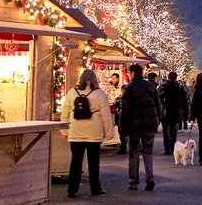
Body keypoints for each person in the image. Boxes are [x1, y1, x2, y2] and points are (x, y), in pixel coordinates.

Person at [61, 69, 115, 198]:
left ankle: (72, 189)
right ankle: (95, 188)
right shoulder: (99, 94)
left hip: (75, 131)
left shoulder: (72, 92)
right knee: (94, 161)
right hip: (94, 132)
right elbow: (106, 115)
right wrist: (109, 132)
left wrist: (64, 130)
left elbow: (65, 112)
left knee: (75, 161)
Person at [120, 64, 162, 191]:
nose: (128, 75)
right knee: (148, 151)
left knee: (134, 152)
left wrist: (123, 127)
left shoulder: (129, 88)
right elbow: (158, 105)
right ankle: (150, 178)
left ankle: (133, 181)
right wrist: (157, 119)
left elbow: (125, 110)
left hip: (135, 125)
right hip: (149, 123)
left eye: (129, 73)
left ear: (133, 73)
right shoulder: (150, 85)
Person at [160, 71, 189, 155]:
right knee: (174, 130)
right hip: (176, 112)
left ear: (168, 77)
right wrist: (186, 114)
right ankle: (174, 148)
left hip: (166, 112)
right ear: (176, 78)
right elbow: (185, 102)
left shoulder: (164, 87)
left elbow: (158, 99)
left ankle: (167, 149)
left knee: (166, 131)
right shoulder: (180, 88)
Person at [114, 85, 128, 154]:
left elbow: (116, 104)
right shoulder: (130, 97)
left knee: (122, 134)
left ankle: (123, 148)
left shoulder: (121, 98)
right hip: (126, 118)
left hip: (122, 117)